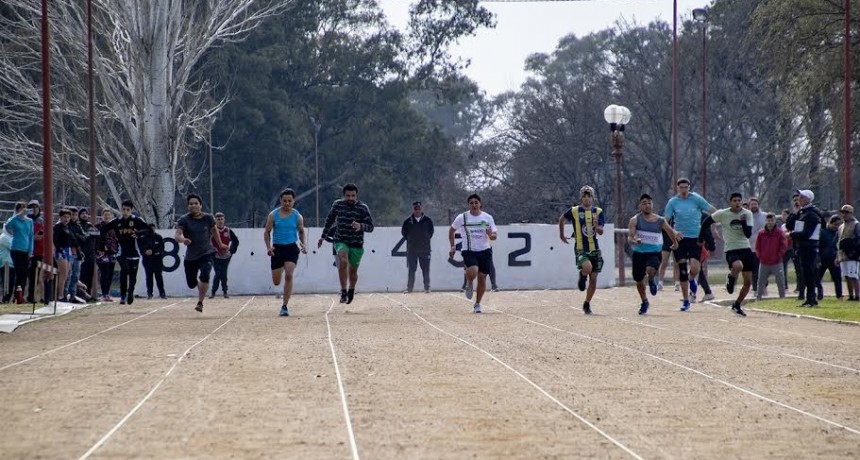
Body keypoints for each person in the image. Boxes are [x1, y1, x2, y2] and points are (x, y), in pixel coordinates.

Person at [663, 178, 716, 310]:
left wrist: (722, 217)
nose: (684, 190)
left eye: (686, 187)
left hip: (695, 238)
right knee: (681, 269)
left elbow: (711, 209)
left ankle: (692, 279)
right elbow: (665, 220)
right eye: (681, 188)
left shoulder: (696, 199)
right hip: (680, 239)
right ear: (677, 188)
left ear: (689, 187)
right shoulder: (673, 202)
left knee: (695, 267)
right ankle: (686, 300)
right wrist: (674, 232)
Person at [317, 184, 374, 304]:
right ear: (344, 196)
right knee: (343, 261)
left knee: (353, 272)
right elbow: (329, 220)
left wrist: (361, 226)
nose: (351, 198)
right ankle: (343, 291)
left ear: (356, 196)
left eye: (353, 196)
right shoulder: (337, 205)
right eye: (348, 196)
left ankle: (351, 290)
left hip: (356, 244)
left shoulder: (363, 208)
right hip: (340, 240)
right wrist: (323, 236)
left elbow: (371, 227)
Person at [701, 192, 753, 316]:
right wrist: (701, 237)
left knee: (748, 282)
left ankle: (737, 304)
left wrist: (743, 222)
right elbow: (706, 222)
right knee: (738, 266)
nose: (737, 203)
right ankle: (731, 278)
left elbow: (748, 234)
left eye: (739, 200)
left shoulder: (747, 214)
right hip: (731, 248)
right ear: (730, 202)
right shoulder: (723, 213)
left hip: (745, 248)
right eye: (734, 200)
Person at [627, 193, 677, 315]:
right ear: (640, 205)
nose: (647, 206)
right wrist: (635, 241)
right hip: (639, 253)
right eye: (644, 203)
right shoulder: (635, 220)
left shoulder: (660, 220)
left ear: (652, 205)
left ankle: (651, 279)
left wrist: (675, 243)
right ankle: (644, 301)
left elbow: (670, 231)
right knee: (638, 280)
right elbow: (629, 237)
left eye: (649, 203)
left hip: (654, 253)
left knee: (650, 269)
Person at [558, 185, 604, 314]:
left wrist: (596, 226)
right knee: (587, 267)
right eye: (584, 196)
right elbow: (562, 219)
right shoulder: (574, 211)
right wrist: (561, 234)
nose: (587, 199)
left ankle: (587, 303)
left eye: (589, 196)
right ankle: (582, 275)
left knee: (594, 280)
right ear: (581, 197)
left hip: (594, 249)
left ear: (593, 197)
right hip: (580, 248)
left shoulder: (598, 211)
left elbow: (600, 232)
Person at [175, 194, 225, 312]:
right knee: (191, 283)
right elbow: (177, 235)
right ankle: (199, 286)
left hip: (207, 252)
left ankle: (200, 302)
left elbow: (214, 230)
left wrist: (220, 244)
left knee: (205, 275)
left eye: (196, 203)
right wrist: (183, 240)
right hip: (191, 257)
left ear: (200, 205)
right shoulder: (184, 220)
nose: (194, 206)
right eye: (191, 204)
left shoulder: (208, 218)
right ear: (188, 206)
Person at [449, 193, 497, 314]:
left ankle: (477, 304)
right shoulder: (462, 217)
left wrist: (491, 235)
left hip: (485, 251)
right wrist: (453, 247)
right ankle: (469, 282)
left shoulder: (487, 217)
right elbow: (452, 230)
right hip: (469, 250)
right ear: (468, 205)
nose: (474, 205)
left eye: (476, 202)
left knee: (482, 278)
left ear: (480, 204)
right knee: (473, 271)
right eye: (471, 203)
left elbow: (494, 235)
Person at [264, 189, 307, 316]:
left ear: (293, 201)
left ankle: (284, 306)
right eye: (284, 201)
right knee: (276, 282)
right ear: (280, 201)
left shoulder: (297, 216)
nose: (287, 203)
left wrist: (303, 243)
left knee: (289, 275)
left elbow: (301, 231)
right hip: (277, 249)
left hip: (291, 248)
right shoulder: (273, 215)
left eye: (290, 201)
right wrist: (268, 247)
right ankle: (281, 267)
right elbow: (266, 232)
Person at [100, 200, 149, 305]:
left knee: (132, 274)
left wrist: (139, 233)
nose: (125, 212)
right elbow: (104, 229)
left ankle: (130, 291)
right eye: (123, 209)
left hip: (134, 252)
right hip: (121, 251)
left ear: (131, 210)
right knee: (124, 270)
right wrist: (103, 244)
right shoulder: (117, 221)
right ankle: (123, 295)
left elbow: (149, 230)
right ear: (121, 209)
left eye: (128, 210)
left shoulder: (136, 220)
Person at [786, 189, 824, 307]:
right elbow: (789, 225)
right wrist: (795, 212)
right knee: (805, 273)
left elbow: (806, 233)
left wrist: (791, 235)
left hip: (809, 248)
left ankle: (812, 299)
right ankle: (809, 299)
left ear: (808, 199)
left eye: (801, 197)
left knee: (809, 273)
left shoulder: (812, 214)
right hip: (802, 247)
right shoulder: (802, 212)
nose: (799, 199)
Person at [3, 202, 34, 304]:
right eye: (20, 208)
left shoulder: (29, 221)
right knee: (18, 271)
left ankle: (19, 296)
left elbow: (31, 236)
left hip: (25, 250)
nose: (22, 210)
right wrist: (18, 215)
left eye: (24, 208)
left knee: (24, 273)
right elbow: (8, 225)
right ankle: (15, 295)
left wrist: (30, 251)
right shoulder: (15, 220)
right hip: (16, 248)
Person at [401, 201, 434, 293]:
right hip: (412, 249)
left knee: (426, 269)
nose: (417, 210)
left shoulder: (428, 220)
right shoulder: (408, 221)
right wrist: (411, 240)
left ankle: (427, 288)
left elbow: (431, 232)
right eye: (415, 208)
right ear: (413, 209)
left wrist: (425, 239)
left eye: (419, 208)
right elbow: (404, 233)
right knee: (411, 269)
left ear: (421, 209)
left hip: (425, 249)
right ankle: (410, 288)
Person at [754, 213, 788, 299]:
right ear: (766, 221)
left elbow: (784, 245)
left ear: (775, 221)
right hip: (764, 261)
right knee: (761, 281)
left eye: (772, 220)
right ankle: (758, 298)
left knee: (780, 281)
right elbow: (757, 246)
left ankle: (782, 298)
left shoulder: (780, 232)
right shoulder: (761, 233)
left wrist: (779, 255)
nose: (770, 222)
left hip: (777, 262)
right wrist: (760, 256)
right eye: (768, 221)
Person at [211, 212, 240, 299]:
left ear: (224, 220)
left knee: (223, 273)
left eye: (221, 219)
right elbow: (207, 242)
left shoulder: (228, 230)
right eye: (218, 219)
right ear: (215, 220)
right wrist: (213, 251)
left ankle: (225, 291)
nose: (220, 221)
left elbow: (236, 241)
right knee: (218, 273)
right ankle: (213, 291)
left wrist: (231, 251)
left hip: (226, 256)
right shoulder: (212, 231)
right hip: (215, 256)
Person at [94, 208, 119, 301]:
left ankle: (107, 293)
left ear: (111, 216)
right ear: (102, 216)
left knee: (110, 273)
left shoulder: (115, 227)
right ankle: (104, 293)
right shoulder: (98, 226)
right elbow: (94, 239)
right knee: (104, 273)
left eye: (108, 215)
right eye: (105, 215)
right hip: (101, 254)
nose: (107, 216)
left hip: (112, 253)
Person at [137, 223, 167, 299]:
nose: (152, 230)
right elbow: (140, 248)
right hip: (147, 260)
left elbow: (162, 248)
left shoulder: (158, 237)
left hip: (157, 260)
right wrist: (145, 252)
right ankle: (149, 293)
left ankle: (162, 293)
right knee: (149, 277)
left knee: (159, 276)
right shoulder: (143, 237)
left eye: (153, 228)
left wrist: (154, 252)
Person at [837, 205, 860, 301]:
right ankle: (850, 295)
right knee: (846, 275)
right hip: (843, 253)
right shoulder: (841, 226)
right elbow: (838, 241)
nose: (844, 214)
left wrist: (855, 251)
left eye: (846, 212)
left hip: (853, 253)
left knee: (853, 275)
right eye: (843, 212)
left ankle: (857, 295)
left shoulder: (856, 224)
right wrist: (837, 256)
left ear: (851, 213)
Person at [817, 215, 843, 300]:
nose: (837, 227)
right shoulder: (822, 232)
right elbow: (818, 246)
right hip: (822, 258)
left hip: (834, 258)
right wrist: (818, 259)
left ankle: (839, 296)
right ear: (830, 223)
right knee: (817, 278)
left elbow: (839, 246)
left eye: (839, 225)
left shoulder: (839, 233)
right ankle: (819, 294)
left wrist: (838, 257)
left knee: (837, 278)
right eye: (835, 224)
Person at [52, 209, 75, 304]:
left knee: (67, 274)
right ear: (60, 217)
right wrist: (60, 249)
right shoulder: (58, 227)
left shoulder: (68, 227)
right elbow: (56, 240)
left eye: (68, 217)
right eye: (64, 217)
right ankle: (59, 295)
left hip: (68, 250)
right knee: (63, 273)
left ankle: (63, 293)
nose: (66, 219)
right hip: (61, 251)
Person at [77, 208, 100, 298]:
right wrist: (88, 235)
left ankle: (89, 295)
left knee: (90, 275)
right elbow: (82, 238)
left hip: (91, 254)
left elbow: (97, 234)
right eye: (82, 213)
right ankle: (81, 295)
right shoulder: (78, 225)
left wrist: (88, 235)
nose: (84, 215)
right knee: (81, 275)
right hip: (82, 254)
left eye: (86, 214)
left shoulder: (89, 225)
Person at [25, 200, 44, 304]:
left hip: (40, 251)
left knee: (38, 276)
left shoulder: (41, 221)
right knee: (30, 275)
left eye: (36, 207)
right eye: (31, 207)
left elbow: (44, 233)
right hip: (29, 251)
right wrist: (33, 237)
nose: (34, 209)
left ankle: (35, 296)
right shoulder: (27, 220)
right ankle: (28, 296)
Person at [748, 197, 767, 292]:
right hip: (750, 247)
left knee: (762, 266)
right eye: (752, 204)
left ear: (758, 205)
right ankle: (756, 287)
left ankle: (764, 284)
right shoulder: (746, 216)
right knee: (753, 268)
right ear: (749, 206)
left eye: (755, 204)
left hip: (762, 246)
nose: (753, 206)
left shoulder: (764, 216)